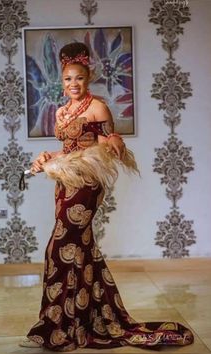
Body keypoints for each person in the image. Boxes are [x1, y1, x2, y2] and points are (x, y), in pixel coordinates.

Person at [19, 42, 194, 351]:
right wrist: (48, 158)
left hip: (87, 184)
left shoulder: (97, 106)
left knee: (59, 248)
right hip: (65, 182)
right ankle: (83, 322)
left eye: (79, 78)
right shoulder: (60, 113)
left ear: (89, 78)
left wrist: (115, 141)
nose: (73, 84)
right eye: (68, 79)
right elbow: (71, 150)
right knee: (81, 249)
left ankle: (60, 325)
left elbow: (107, 141)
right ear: (62, 82)